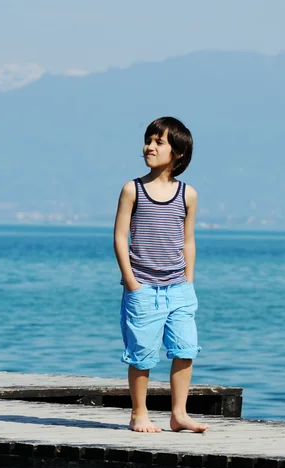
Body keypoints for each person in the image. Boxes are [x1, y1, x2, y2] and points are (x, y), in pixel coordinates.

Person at [113, 116, 208, 433]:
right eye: (148, 140)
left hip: (179, 288)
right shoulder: (133, 189)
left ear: (178, 152)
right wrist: (131, 282)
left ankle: (178, 414)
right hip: (143, 288)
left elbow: (188, 240)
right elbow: (120, 237)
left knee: (185, 349)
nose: (149, 147)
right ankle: (139, 413)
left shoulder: (187, 194)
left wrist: (189, 280)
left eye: (159, 142)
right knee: (141, 354)